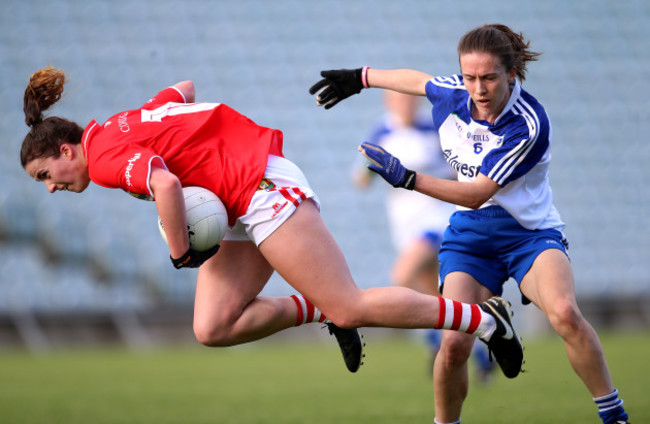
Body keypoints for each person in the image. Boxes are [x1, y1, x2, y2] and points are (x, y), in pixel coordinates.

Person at [20, 67, 523, 383]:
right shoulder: (114, 127)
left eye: (47, 175)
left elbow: (166, 186)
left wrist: (181, 253)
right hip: (236, 201)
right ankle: (314, 310)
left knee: (349, 306)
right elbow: (184, 87)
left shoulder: (105, 158)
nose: (50, 186)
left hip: (260, 187)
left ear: (66, 151)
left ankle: (483, 320)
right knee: (212, 326)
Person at [309, 23, 629, 424]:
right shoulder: (455, 93)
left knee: (564, 314)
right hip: (471, 236)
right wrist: (361, 78)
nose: (478, 89)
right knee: (455, 343)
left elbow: (477, 192)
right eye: (470, 77)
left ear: (511, 74)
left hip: (528, 235)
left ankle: (614, 415)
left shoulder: (526, 123)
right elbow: (420, 81)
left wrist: (409, 178)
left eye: (489, 77)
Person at [355, 91, 494, 381]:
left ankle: (435, 346)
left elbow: (462, 171)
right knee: (438, 299)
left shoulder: (434, 129)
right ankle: (483, 347)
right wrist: (365, 174)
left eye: (407, 99)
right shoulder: (382, 130)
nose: (403, 105)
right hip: (404, 223)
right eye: (397, 100)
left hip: (436, 217)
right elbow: (362, 176)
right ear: (387, 103)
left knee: (403, 274)